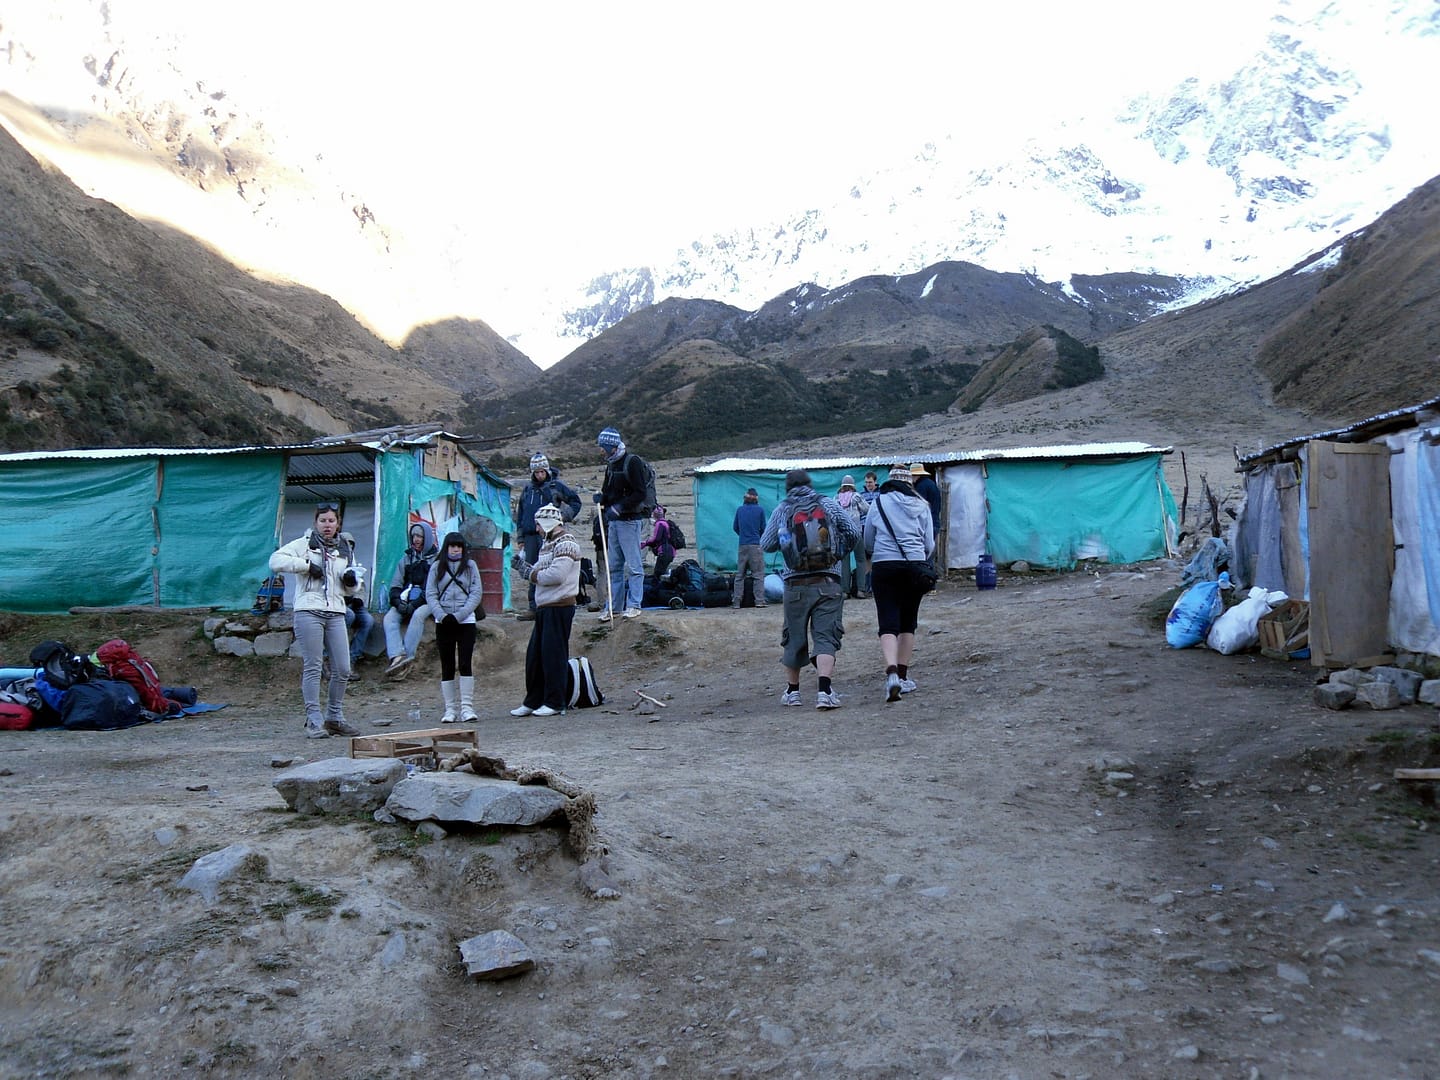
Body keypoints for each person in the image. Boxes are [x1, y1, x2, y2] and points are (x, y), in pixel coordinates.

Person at [760, 469, 860, 710]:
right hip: (828, 581)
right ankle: (824, 691)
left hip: (795, 583)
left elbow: (766, 544)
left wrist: (788, 546)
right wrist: (837, 554)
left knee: (793, 636)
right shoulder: (828, 504)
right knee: (825, 637)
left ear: (788, 486)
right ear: (810, 484)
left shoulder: (783, 509)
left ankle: (793, 692)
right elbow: (854, 532)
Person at [268, 502, 365, 739]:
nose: (327, 525)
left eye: (331, 521)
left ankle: (335, 717)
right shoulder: (304, 544)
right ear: (316, 523)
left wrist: (353, 582)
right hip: (309, 609)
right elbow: (275, 561)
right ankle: (313, 720)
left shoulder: (344, 548)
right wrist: (307, 566)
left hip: (336, 610)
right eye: (323, 521)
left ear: (338, 523)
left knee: (342, 668)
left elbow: (349, 586)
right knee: (313, 666)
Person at [865, 464, 936, 702]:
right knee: (908, 622)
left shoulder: (878, 503)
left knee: (887, 623)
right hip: (914, 566)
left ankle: (892, 673)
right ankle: (904, 677)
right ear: (909, 483)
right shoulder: (921, 505)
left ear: (889, 482)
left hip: (884, 566)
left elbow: (868, 539)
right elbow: (929, 543)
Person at [508, 504, 581, 717]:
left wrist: (530, 574)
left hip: (560, 606)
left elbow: (556, 576)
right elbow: (543, 571)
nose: (537, 529)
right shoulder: (548, 543)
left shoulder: (567, 543)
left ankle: (555, 701)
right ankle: (533, 700)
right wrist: (525, 568)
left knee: (553, 656)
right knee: (535, 657)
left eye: (539, 524)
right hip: (544, 606)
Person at [425, 531, 485, 723]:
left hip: (466, 621)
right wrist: (441, 615)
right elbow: (431, 593)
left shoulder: (470, 566)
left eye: (459, 546)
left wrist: (459, 615)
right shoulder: (436, 567)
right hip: (443, 622)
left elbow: (476, 593)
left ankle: (467, 707)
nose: (455, 549)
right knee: (447, 665)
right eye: (452, 546)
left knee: (465, 663)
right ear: (446, 547)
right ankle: (450, 709)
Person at [514, 453, 581, 621]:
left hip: (550, 534)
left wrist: (563, 516)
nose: (539, 475)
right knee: (532, 568)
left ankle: (551, 602)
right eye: (536, 472)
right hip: (530, 534)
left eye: (542, 471)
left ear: (547, 470)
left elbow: (575, 502)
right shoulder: (528, 490)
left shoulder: (556, 486)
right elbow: (521, 513)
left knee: (549, 567)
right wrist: (520, 537)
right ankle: (533, 606)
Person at [596, 426, 651, 620]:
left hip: (629, 521)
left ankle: (634, 604)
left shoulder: (632, 462)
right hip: (614, 522)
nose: (600, 450)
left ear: (611, 445)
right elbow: (608, 491)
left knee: (634, 565)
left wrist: (620, 507)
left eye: (602, 446)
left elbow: (640, 492)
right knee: (614, 566)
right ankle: (614, 607)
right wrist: (601, 499)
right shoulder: (610, 465)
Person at [382, 520, 437, 679]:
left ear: (426, 537)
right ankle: (398, 657)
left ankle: (408, 655)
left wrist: (414, 604)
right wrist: (398, 602)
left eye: (419, 536)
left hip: (429, 600)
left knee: (418, 615)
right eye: (413, 536)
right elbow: (396, 584)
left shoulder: (436, 560)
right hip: (407, 598)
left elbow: (432, 588)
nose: (416, 540)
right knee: (390, 618)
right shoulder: (406, 559)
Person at [732, 487, 768, 607]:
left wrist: (743, 535)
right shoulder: (760, 510)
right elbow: (764, 528)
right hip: (755, 545)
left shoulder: (740, 510)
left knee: (740, 575)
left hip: (742, 545)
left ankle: (736, 601)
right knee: (758, 575)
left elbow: (735, 527)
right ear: (756, 499)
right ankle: (759, 601)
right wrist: (757, 538)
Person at [835, 475, 866, 599]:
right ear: (853, 485)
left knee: (844, 562)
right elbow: (867, 509)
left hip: (843, 534)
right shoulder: (856, 497)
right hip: (856, 532)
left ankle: (844, 591)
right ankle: (861, 590)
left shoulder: (836, 498)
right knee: (860, 560)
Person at [856, 471, 881, 597]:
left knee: (876, 556)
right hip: (864, 527)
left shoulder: (881, 494)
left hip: (877, 527)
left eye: (870, 482)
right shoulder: (861, 495)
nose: (868, 484)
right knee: (866, 557)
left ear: (875, 481)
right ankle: (867, 585)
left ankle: (876, 585)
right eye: (866, 482)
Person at [910, 463, 943, 559]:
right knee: (929, 552)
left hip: (927, 523)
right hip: (934, 520)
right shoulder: (930, 483)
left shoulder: (921, 486)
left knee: (924, 554)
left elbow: (919, 507)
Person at [642, 505, 676, 589]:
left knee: (657, 574)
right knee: (660, 572)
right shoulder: (666, 523)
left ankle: (657, 592)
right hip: (670, 552)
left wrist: (645, 543)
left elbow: (656, 539)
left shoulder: (660, 524)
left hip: (664, 552)